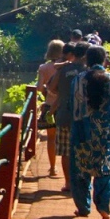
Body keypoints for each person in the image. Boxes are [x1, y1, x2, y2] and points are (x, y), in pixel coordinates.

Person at [69, 45, 110, 219]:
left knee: (79, 170)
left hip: (82, 132)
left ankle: (83, 207)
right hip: (105, 133)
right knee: (106, 169)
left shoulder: (78, 79)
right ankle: (104, 211)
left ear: (86, 60)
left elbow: (73, 106)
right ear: (104, 60)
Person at [47, 42, 88, 193]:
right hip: (83, 117)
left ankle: (68, 183)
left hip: (64, 114)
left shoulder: (64, 69)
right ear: (85, 55)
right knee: (83, 150)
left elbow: (51, 87)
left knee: (66, 151)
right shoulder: (88, 71)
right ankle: (82, 183)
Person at [35, 40, 65, 176]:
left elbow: (39, 88)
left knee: (51, 138)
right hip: (64, 106)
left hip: (49, 105)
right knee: (68, 137)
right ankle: (68, 173)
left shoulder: (43, 68)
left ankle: (52, 168)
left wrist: (47, 90)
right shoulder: (66, 67)